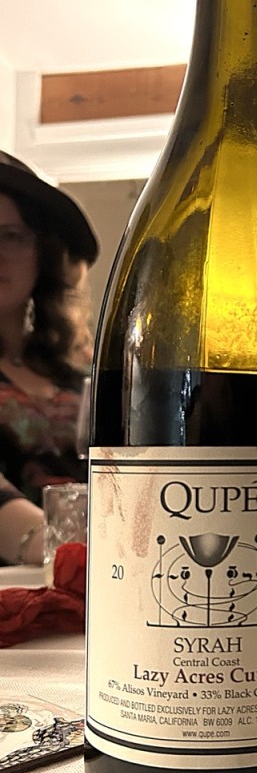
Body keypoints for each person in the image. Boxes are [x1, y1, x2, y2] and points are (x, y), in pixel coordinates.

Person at [0, 151, 98, 561]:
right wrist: (54, 546)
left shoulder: (82, 370)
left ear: (44, 253)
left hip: (95, 577)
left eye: (10, 236)